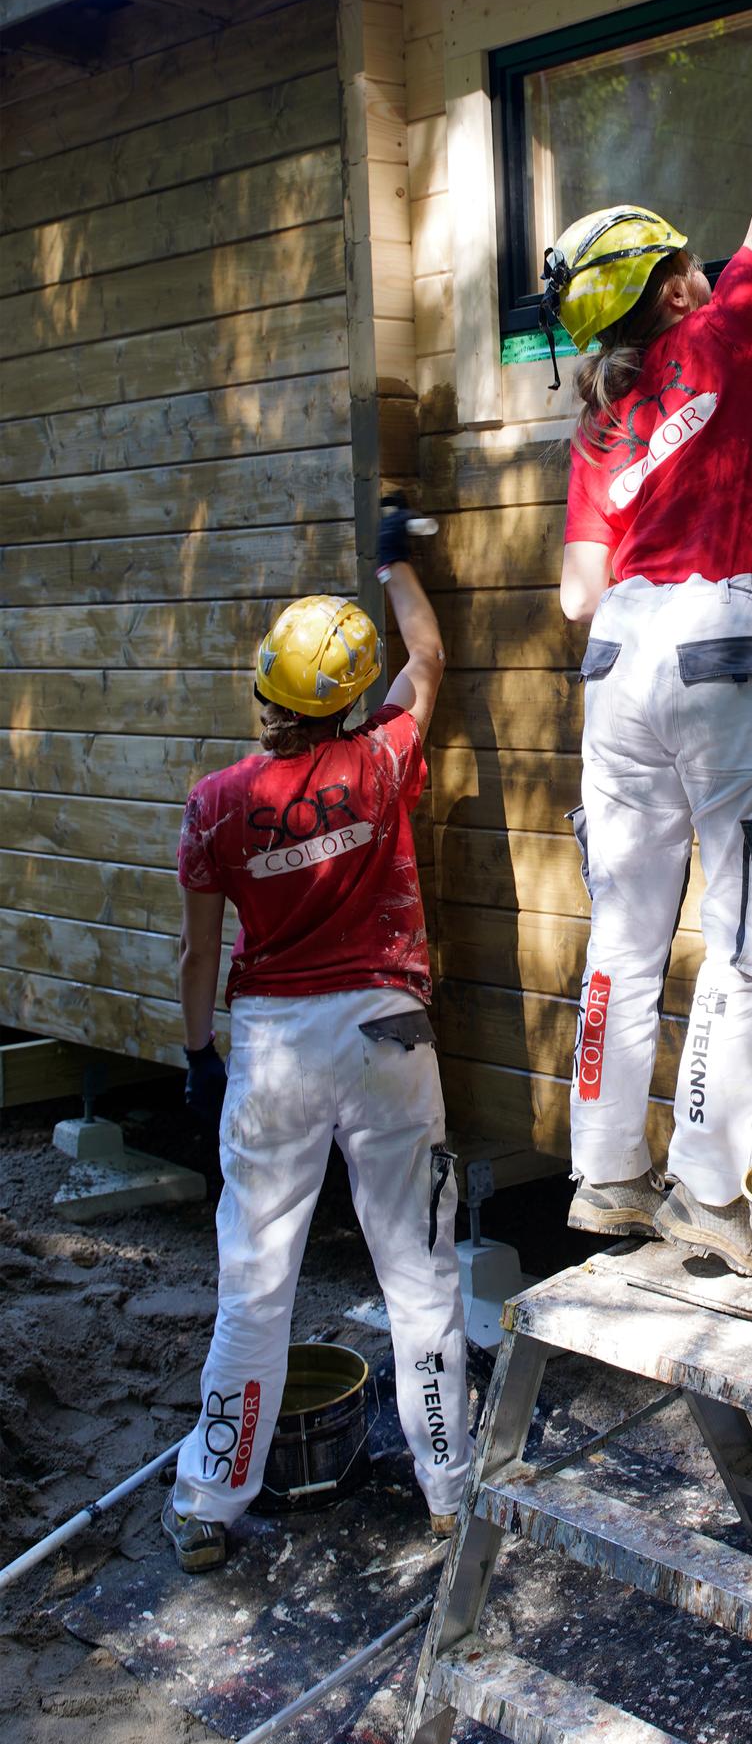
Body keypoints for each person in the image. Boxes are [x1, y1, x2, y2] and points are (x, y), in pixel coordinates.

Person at [545, 0, 752, 1276]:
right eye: (685, 260)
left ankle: (605, 1179)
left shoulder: (602, 427)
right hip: (724, 636)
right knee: (745, 930)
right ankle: (710, 1194)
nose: (705, 263)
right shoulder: (728, 327)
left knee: (624, 929)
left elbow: (574, 592)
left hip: (617, 662)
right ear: (672, 286)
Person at [160, 506, 468, 1572]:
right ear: (345, 698)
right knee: (419, 1276)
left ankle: (211, 1505)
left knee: (256, 1282)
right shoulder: (382, 761)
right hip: (389, 1035)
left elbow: (201, 959)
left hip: (274, 1049)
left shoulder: (215, 807)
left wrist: (200, 1057)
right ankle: (449, 1494)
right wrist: (394, 563)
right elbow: (427, 656)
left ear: (267, 687)